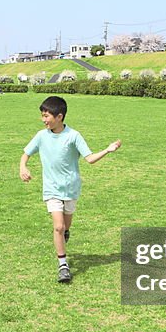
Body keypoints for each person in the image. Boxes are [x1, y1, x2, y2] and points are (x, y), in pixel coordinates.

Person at [20, 96, 121, 282]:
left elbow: (89, 159)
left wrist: (107, 150)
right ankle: (63, 265)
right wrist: (23, 167)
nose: (43, 120)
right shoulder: (41, 136)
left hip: (71, 188)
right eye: (42, 116)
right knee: (57, 226)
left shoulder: (74, 136)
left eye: (46, 116)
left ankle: (65, 232)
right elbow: (26, 154)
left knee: (65, 226)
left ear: (59, 116)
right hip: (51, 189)